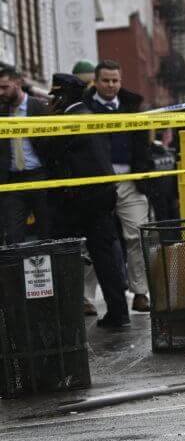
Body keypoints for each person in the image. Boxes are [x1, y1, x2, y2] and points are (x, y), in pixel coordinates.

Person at [40, 74, 130, 329]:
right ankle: (118, 312)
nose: (53, 102)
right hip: (101, 195)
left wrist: (46, 122)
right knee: (105, 258)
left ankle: (63, 314)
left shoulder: (68, 120)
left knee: (62, 253)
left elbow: (47, 150)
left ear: (63, 97)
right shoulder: (89, 114)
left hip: (77, 200)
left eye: (56, 97)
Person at [85, 60, 154, 313]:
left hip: (130, 182)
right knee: (92, 239)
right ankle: (86, 298)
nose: (111, 85)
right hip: (95, 183)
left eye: (115, 80)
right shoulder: (84, 108)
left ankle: (140, 293)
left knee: (137, 234)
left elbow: (143, 146)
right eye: (106, 80)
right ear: (96, 81)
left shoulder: (132, 107)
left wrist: (144, 175)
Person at [0, 65, 53, 244]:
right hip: (13, 181)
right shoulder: (2, 112)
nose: (1, 92)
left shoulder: (39, 108)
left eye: (4, 87)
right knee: (13, 237)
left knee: (48, 233)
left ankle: (49, 271)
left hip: (40, 177)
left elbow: (52, 145)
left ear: (18, 83)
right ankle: (18, 272)